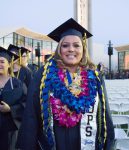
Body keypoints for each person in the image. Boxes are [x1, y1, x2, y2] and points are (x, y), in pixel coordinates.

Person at [17, 18, 115, 150]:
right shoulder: (44, 75)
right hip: (54, 141)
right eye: (65, 45)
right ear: (59, 49)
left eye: (76, 45)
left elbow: (105, 115)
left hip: (86, 140)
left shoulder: (95, 77)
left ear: (83, 48)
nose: (71, 49)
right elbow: (31, 115)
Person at [0, 46, 26, 150]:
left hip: (10, 132)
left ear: (9, 64)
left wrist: (11, 109)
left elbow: (26, 105)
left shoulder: (17, 84)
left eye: (2, 61)